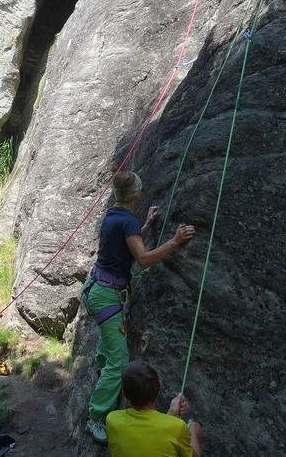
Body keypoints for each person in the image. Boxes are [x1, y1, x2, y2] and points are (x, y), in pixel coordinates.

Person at [84, 171, 196, 444]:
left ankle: (102, 373)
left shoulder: (115, 215)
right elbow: (144, 259)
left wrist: (143, 227)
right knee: (118, 362)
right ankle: (96, 417)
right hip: (106, 295)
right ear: (137, 195)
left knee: (108, 346)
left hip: (98, 289)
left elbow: (124, 243)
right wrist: (175, 241)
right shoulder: (126, 221)